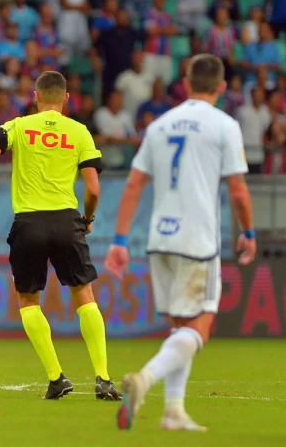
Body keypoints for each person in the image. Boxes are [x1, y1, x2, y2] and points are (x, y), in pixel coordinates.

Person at [105, 54, 256, 431]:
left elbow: (134, 184)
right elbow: (238, 190)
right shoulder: (224, 125)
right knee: (200, 327)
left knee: (180, 328)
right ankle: (144, 379)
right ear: (222, 87)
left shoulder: (160, 124)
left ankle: (173, 412)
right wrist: (249, 233)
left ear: (186, 83)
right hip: (198, 240)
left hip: (160, 240)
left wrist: (119, 240)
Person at [0, 71, 121, 401]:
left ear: (35, 96)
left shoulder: (18, 126)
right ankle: (103, 378)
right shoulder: (80, 132)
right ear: (67, 98)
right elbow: (93, 188)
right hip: (66, 221)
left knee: (29, 301)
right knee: (84, 296)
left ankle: (57, 378)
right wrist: (86, 219)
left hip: (29, 223)